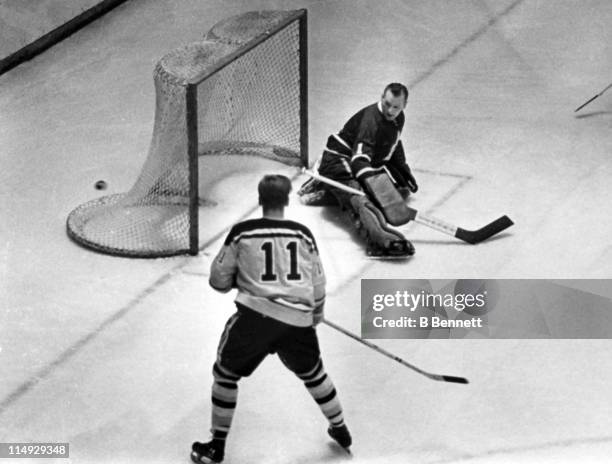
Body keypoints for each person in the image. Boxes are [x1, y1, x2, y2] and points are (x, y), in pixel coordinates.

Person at [191, 174, 351, 464]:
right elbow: (318, 282)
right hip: (298, 321)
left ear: (260, 199)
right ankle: (340, 428)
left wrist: (238, 278)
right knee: (314, 374)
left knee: (225, 376)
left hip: (256, 318)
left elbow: (218, 281)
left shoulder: (242, 232)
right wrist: (315, 313)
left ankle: (215, 447)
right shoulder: (302, 233)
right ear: (287, 200)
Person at [298, 83, 418, 257]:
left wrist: (402, 168)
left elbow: (393, 143)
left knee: (400, 193)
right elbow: (359, 161)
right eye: (387, 104)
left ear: (404, 105)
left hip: (359, 163)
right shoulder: (371, 120)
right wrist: (374, 186)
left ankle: (327, 190)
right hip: (338, 160)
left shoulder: (399, 118)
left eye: (396, 107)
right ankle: (379, 240)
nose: (390, 111)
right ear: (382, 98)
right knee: (360, 199)